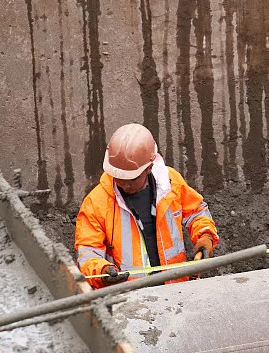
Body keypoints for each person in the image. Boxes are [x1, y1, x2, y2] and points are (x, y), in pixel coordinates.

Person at [75, 123, 218, 287]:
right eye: (119, 177)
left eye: (132, 179)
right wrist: (103, 271)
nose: (124, 184)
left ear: (149, 167)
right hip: (129, 299)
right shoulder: (95, 203)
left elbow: (197, 212)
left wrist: (205, 237)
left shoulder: (170, 184)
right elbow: (87, 251)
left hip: (176, 290)